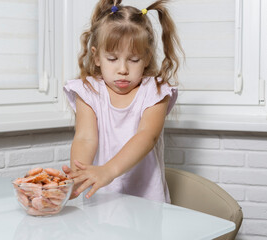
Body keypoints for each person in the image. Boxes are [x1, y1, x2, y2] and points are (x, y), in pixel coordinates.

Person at [62, 0, 183, 202]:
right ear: (97, 57)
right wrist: (78, 175)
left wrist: (108, 171)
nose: (123, 69)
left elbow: (147, 136)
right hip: (101, 199)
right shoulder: (88, 90)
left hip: (147, 203)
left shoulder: (155, 90)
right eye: (112, 59)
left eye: (133, 60)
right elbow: (85, 138)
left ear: (146, 58)